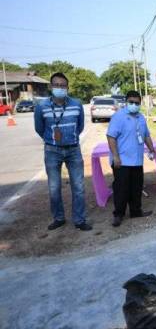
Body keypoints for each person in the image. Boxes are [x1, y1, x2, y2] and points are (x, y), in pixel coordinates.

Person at [34, 72, 92, 231]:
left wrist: (69, 138)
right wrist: (52, 139)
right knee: (54, 187)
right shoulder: (41, 106)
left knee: (78, 186)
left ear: (67, 87)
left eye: (63, 85)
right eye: (56, 85)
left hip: (73, 149)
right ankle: (58, 218)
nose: (60, 88)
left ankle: (79, 220)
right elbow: (39, 128)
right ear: (51, 87)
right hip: (52, 150)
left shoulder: (77, 104)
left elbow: (80, 126)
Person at [106, 90, 155, 227]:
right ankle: (118, 215)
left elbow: (146, 135)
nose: (134, 104)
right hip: (122, 161)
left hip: (137, 161)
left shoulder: (140, 117)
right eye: (131, 102)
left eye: (137, 103)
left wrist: (151, 148)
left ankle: (136, 211)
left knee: (136, 187)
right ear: (126, 102)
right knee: (121, 189)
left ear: (140, 103)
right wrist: (115, 156)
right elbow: (111, 137)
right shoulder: (118, 117)